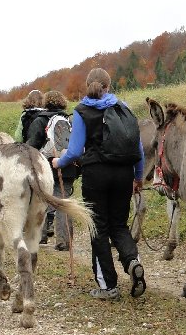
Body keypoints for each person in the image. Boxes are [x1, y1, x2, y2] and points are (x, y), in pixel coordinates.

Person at [53, 68, 146, 300]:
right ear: (109, 85)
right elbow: (139, 149)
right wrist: (138, 176)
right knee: (119, 225)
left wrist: (58, 161)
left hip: (96, 175)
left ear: (88, 85)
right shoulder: (123, 107)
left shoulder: (82, 111)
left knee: (99, 229)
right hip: (124, 174)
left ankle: (108, 286)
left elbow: (74, 151)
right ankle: (132, 261)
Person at [25, 90, 79, 250]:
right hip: (66, 166)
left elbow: (32, 146)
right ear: (63, 103)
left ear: (45, 102)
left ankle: (40, 237)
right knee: (63, 203)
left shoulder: (39, 121)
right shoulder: (69, 121)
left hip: (44, 168)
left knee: (41, 201)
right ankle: (64, 241)